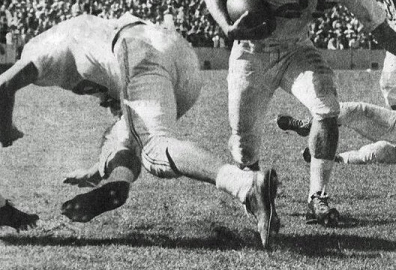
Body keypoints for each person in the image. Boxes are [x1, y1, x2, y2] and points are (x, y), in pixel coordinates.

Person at [203, 0, 396, 227]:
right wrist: (228, 27)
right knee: (244, 139)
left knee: (327, 107)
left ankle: (318, 196)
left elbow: (374, 22)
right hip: (253, 52)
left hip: (296, 47)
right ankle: (254, 192)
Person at [0, 13, 279, 248]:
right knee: (129, 130)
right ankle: (117, 181)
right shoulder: (83, 34)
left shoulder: (43, 49)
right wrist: (99, 169)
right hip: (176, 51)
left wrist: (5, 128)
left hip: (135, 48)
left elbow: (3, 85)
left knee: (155, 147)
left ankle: (244, 185)